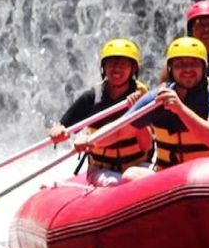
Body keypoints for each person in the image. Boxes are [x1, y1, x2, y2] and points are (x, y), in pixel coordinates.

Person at [47, 38, 153, 186]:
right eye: (111, 63)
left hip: (137, 165)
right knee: (113, 183)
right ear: (104, 67)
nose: (116, 68)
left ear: (133, 69)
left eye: (123, 64)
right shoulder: (92, 97)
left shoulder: (143, 96)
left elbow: (146, 145)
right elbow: (63, 128)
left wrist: (137, 113)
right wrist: (57, 131)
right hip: (102, 168)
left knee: (141, 178)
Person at [120, 36, 209, 172]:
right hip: (167, 176)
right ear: (170, 69)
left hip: (206, 177)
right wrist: (91, 141)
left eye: (194, 63)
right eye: (180, 64)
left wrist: (180, 109)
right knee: (130, 174)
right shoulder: (157, 96)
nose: (187, 69)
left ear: (204, 67)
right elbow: (119, 131)